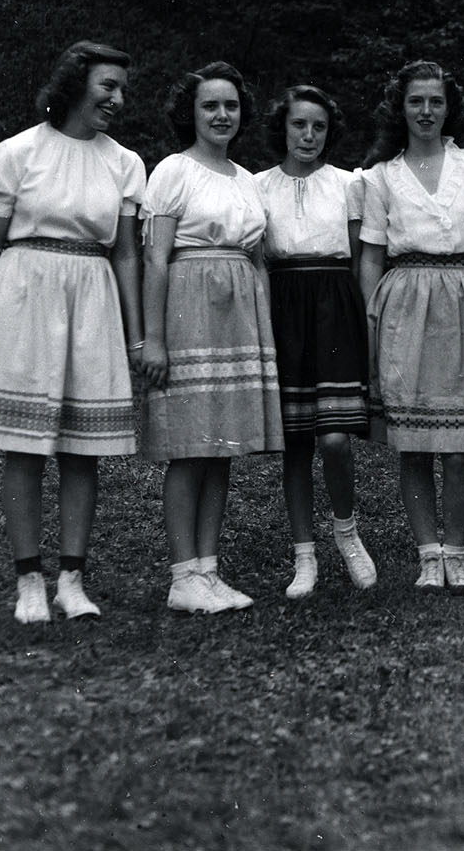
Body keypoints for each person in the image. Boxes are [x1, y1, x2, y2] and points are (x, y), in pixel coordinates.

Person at [0, 41, 146, 624]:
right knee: (26, 444)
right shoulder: (17, 152)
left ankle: (71, 581)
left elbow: (126, 255)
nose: (117, 99)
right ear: (75, 83)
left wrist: (136, 335)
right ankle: (29, 581)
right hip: (24, 297)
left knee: (83, 448)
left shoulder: (125, 163)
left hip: (92, 299)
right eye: (108, 86)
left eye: (123, 89)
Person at [360, 61, 464, 592]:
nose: (426, 111)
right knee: (415, 442)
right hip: (405, 303)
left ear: (450, 108)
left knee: (461, 445)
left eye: (436, 101)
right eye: (415, 101)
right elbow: (371, 256)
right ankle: (428, 555)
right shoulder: (380, 175)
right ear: (400, 108)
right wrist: (371, 322)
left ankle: (457, 553)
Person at [141, 62, 283, 614]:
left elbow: (257, 260)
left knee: (221, 448)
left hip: (238, 317)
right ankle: (182, 576)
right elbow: (155, 259)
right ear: (191, 113)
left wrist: (262, 328)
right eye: (210, 106)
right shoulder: (173, 171)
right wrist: (154, 339)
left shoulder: (248, 179)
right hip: (189, 309)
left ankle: (208, 569)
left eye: (231, 105)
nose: (222, 115)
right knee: (189, 448)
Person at [255, 86, 376, 600]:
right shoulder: (257, 185)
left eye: (319, 127)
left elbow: (361, 259)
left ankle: (346, 532)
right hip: (284, 308)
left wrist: (363, 321)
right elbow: (258, 259)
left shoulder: (350, 184)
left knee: (334, 438)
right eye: (299, 124)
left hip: (334, 307)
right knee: (297, 441)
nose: (308, 135)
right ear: (282, 127)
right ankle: (304, 554)